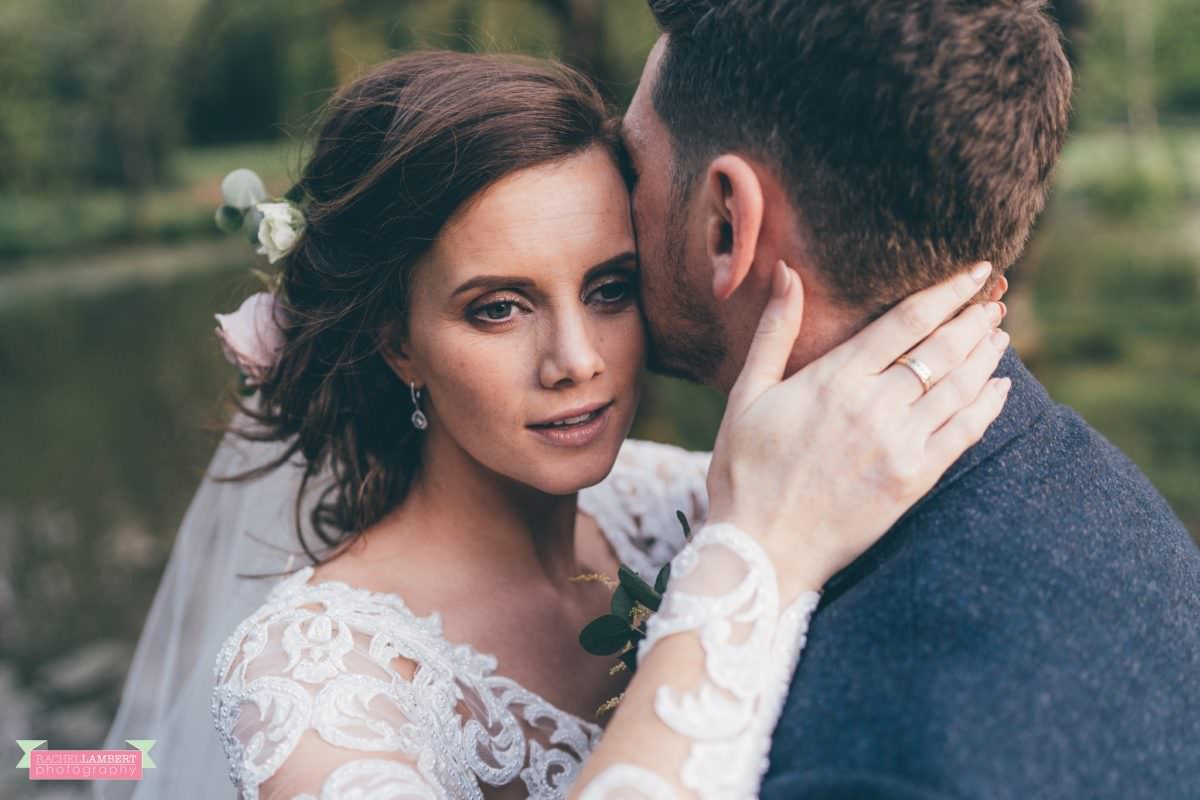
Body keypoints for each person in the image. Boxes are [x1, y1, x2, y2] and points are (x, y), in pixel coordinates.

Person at [99, 51, 1008, 799]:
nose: (576, 358)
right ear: (397, 342)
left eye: (610, 288)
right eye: (499, 308)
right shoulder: (314, 681)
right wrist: (751, 562)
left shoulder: (675, 500)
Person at [616, 0, 1200, 796]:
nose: (611, 214)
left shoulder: (886, 762)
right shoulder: (1096, 494)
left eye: (631, 168)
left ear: (727, 224)